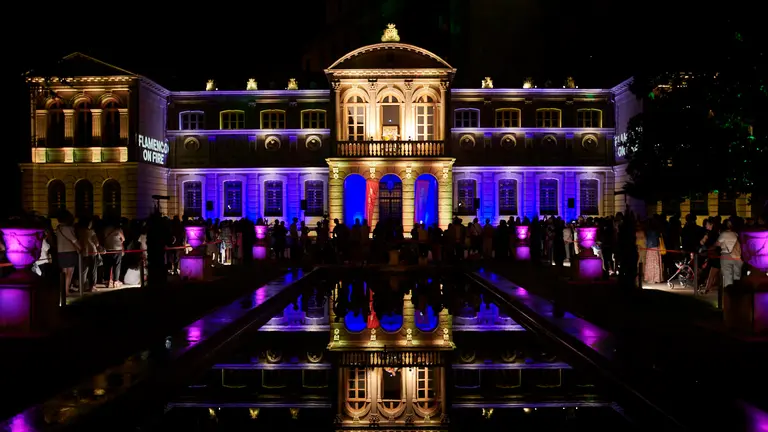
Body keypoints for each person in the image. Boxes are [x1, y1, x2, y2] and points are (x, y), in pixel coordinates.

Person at [55, 211, 81, 293]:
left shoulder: (58, 228)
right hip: (70, 251)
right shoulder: (68, 228)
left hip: (61, 252)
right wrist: (80, 248)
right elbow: (74, 240)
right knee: (69, 273)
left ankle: (64, 290)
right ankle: (66, 291)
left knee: (64, 273)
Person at [717, 219, 742, 287]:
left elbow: (717, 244)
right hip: (737, 257)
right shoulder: (736, 234)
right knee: (737, 277)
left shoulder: (723, 234)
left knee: (728, 278)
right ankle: (737, 294)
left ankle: (729, 294)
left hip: (726, 257)